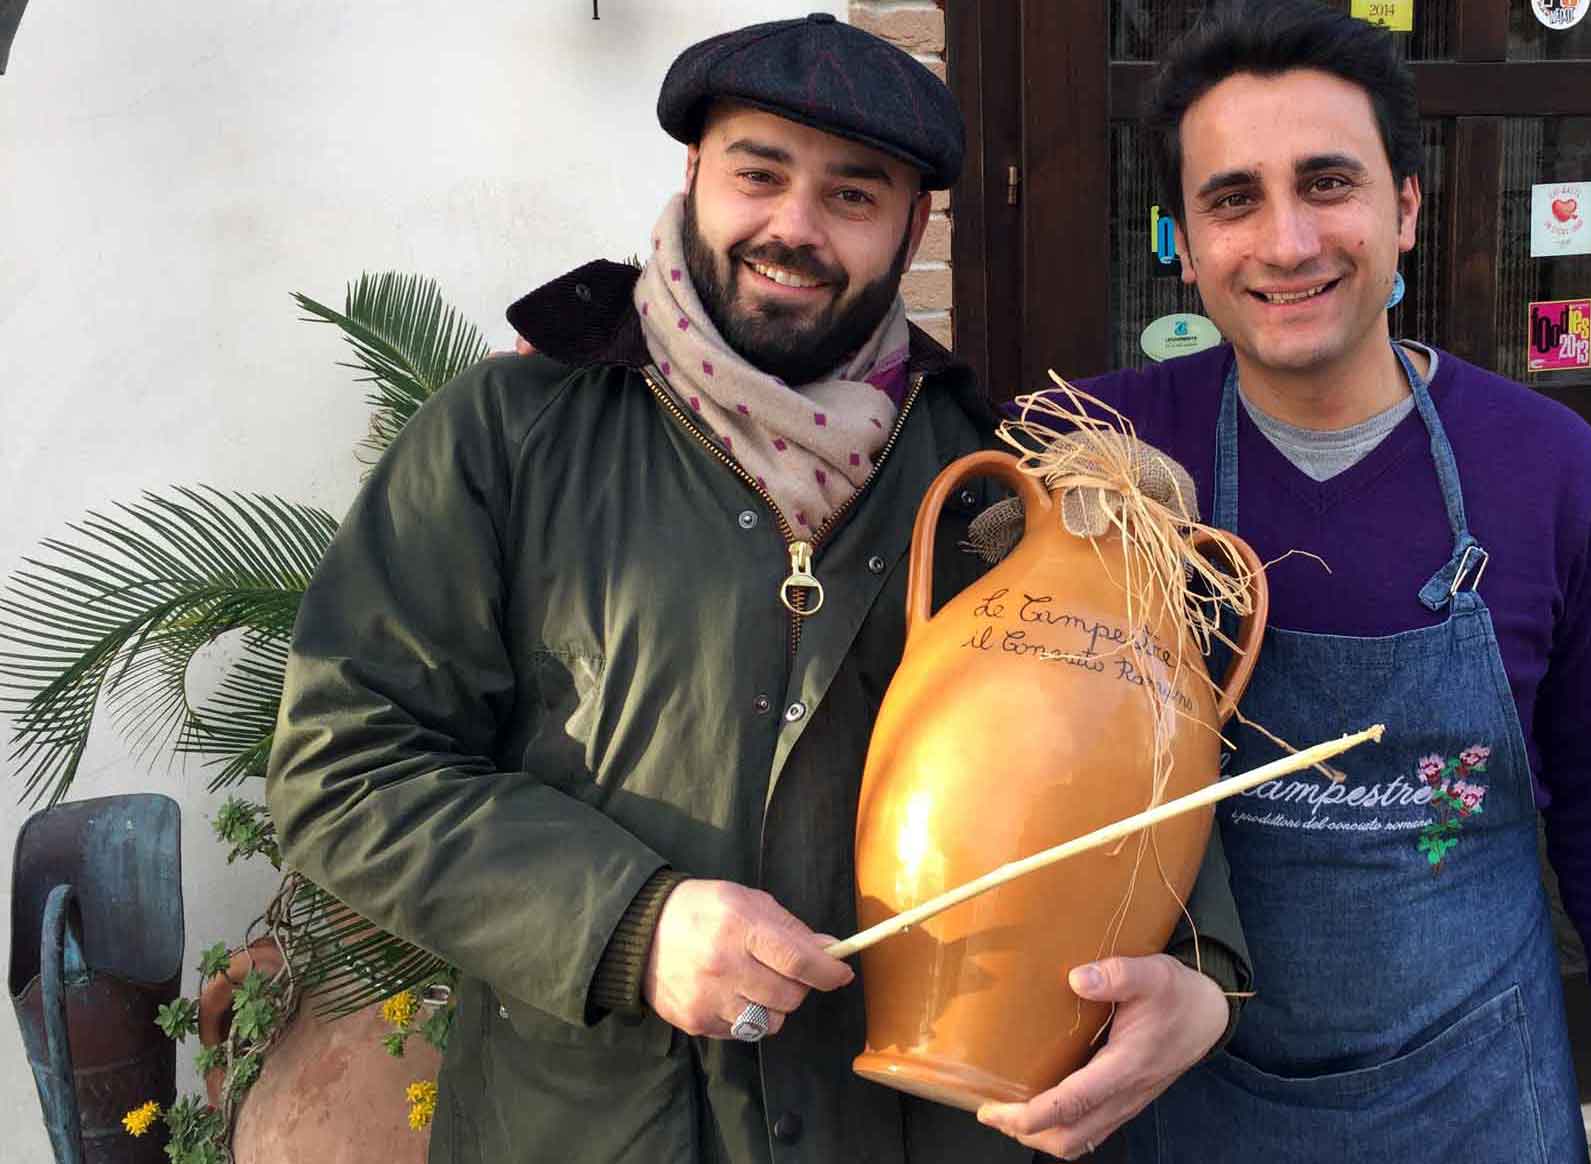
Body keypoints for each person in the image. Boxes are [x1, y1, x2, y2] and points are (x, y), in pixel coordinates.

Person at [266, 15, 1245, 1164]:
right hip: (596, 1127)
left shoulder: (989, 486)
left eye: (851, 194)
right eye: (758, 173)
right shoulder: (508, 437)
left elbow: (1137, 743)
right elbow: (347, 762)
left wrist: (1197, 974)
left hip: (916, 1128)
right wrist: (632, 923)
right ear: (693, 174)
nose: (794, 227)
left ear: (910, 225)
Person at [979, 5, 1591, 1162]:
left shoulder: (1549, 472)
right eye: (1232, 199)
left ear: (1405, 209)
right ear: (1181, 238)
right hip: (1187, 1096)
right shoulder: (1093, 454)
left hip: (1477, 1089)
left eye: (1326, 185)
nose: (1284, 241)